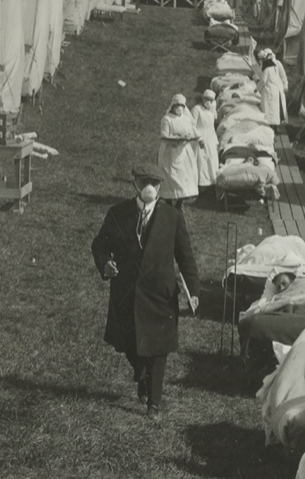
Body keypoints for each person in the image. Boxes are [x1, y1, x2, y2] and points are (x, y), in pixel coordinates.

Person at [91, 163, 200, 424]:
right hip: (126, 292)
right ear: (135, 184)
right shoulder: (118, 213)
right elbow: (100, 245)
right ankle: (141, 372)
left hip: (160, 293)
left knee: (158, 348)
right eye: (144, 182)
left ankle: (154, 402)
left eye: (155, 182)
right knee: (131, 343)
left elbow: (185, 256)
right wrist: (105, 263)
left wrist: (193, 290)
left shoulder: (172, 218)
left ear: (160, 187)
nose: (149, 187)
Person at [158, 93, 200, 206]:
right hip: (170, 153)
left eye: (182, 105)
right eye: (177, 105)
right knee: (170, 176)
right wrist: (176, 139)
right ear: (173, 106)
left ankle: (179, 203)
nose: (179, 108)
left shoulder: (186, 119)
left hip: (184, 153)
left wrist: (190, 137)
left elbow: (192, 132)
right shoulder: (167, 119)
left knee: (183, 177)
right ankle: (168, 200)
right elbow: (164, 136)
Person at [191, 89, 219, 195]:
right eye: (207, 99)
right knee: (202, 163)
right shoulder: (196, 110)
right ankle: (202, 186)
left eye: (211, 100)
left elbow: (212, 126)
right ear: (203, 99)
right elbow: (192, 126)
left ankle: (212, 184)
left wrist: (215, 141)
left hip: (211, 138)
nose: (209, 102)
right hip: (201, 139)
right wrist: (199, 138)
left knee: (212, 161)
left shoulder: (212, 110)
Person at [257, 47, 288, 128]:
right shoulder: (271, 66)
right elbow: (259, 75)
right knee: (275, 111)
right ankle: (275, 127)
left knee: (272, 111)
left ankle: (273, 127)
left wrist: (257, 88)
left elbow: (263, 80)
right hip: (275, 90)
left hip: (271, 91)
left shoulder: (273, 65)